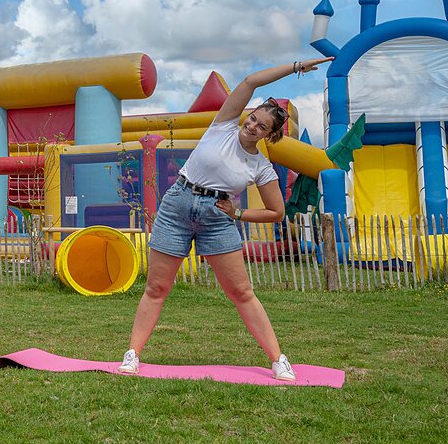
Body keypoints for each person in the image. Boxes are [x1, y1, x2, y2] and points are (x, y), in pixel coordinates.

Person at [118, 58, 331, 381]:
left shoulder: (261, 167)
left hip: (216, 217)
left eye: (261, 127)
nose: (252, 126)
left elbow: (277, 211)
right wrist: (296, 66)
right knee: (157, 287)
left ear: (269, 134)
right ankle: (132, 354)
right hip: (177, 205)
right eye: (253, 118)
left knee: (241, 292)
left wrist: (239, 213)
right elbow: (250, 81)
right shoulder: (223, 126)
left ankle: (278, 360)